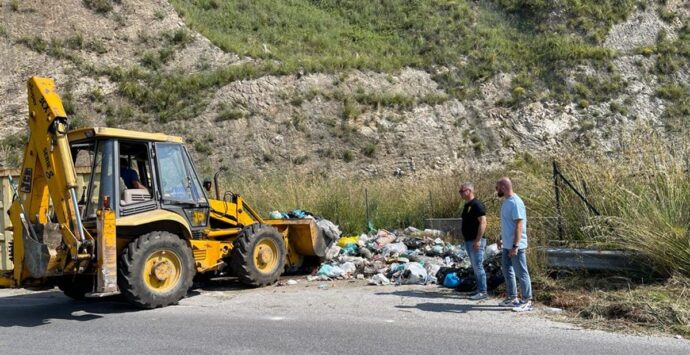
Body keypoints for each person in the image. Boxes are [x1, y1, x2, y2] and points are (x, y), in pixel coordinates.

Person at [496, 177, 533, 312]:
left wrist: (515, 246)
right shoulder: (506, 202)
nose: (497, 190)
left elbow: (519, 225)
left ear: (504, 187)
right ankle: (512, 298)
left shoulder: (516, 203)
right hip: (507, 245)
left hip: (516, 246)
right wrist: (501, 239)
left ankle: (527, 300)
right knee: (507, 271)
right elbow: (508, 224)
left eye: (497, 187)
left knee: (521, 272)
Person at [459, 182, 488, 300]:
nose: (460, 193)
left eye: (462, 191)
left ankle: (483, 291)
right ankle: (478, 289)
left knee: (478, 266)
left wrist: (478, 240)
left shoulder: (477, 204)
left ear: (469, 191)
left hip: (475, 241)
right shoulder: (467, 205)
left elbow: (483, 222)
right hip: (468, 240)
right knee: (475, 267)